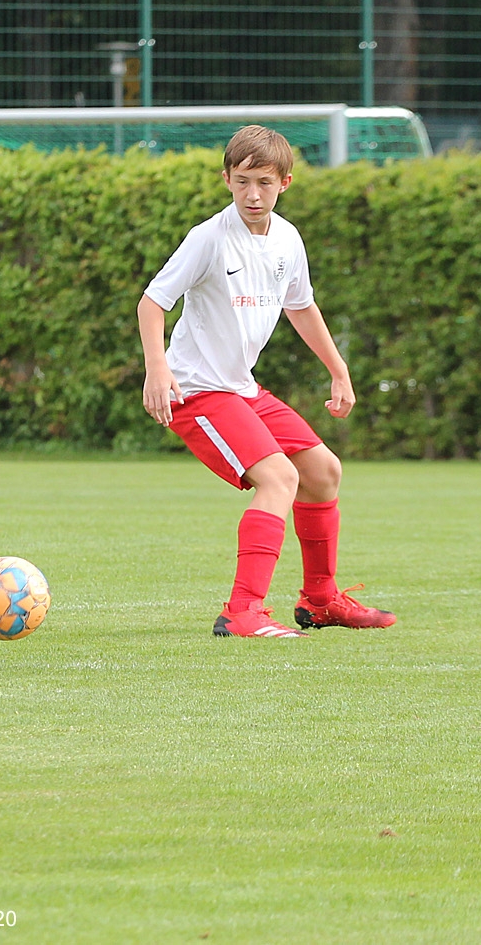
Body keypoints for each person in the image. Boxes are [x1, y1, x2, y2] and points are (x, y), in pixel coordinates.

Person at [137, 125, 395, 638]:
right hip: (197, 391)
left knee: (323, 471)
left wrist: (339, 369)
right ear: (227, 180)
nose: (252, 194)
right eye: (242, 182)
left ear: (285, 183)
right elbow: (152, 302)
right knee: (279, 478)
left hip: (242, 388)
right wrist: (157, 368)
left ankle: (320, 600)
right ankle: (242, 612)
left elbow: (301, 306)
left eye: (264, 183)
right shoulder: (209, 238)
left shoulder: (287, 239)